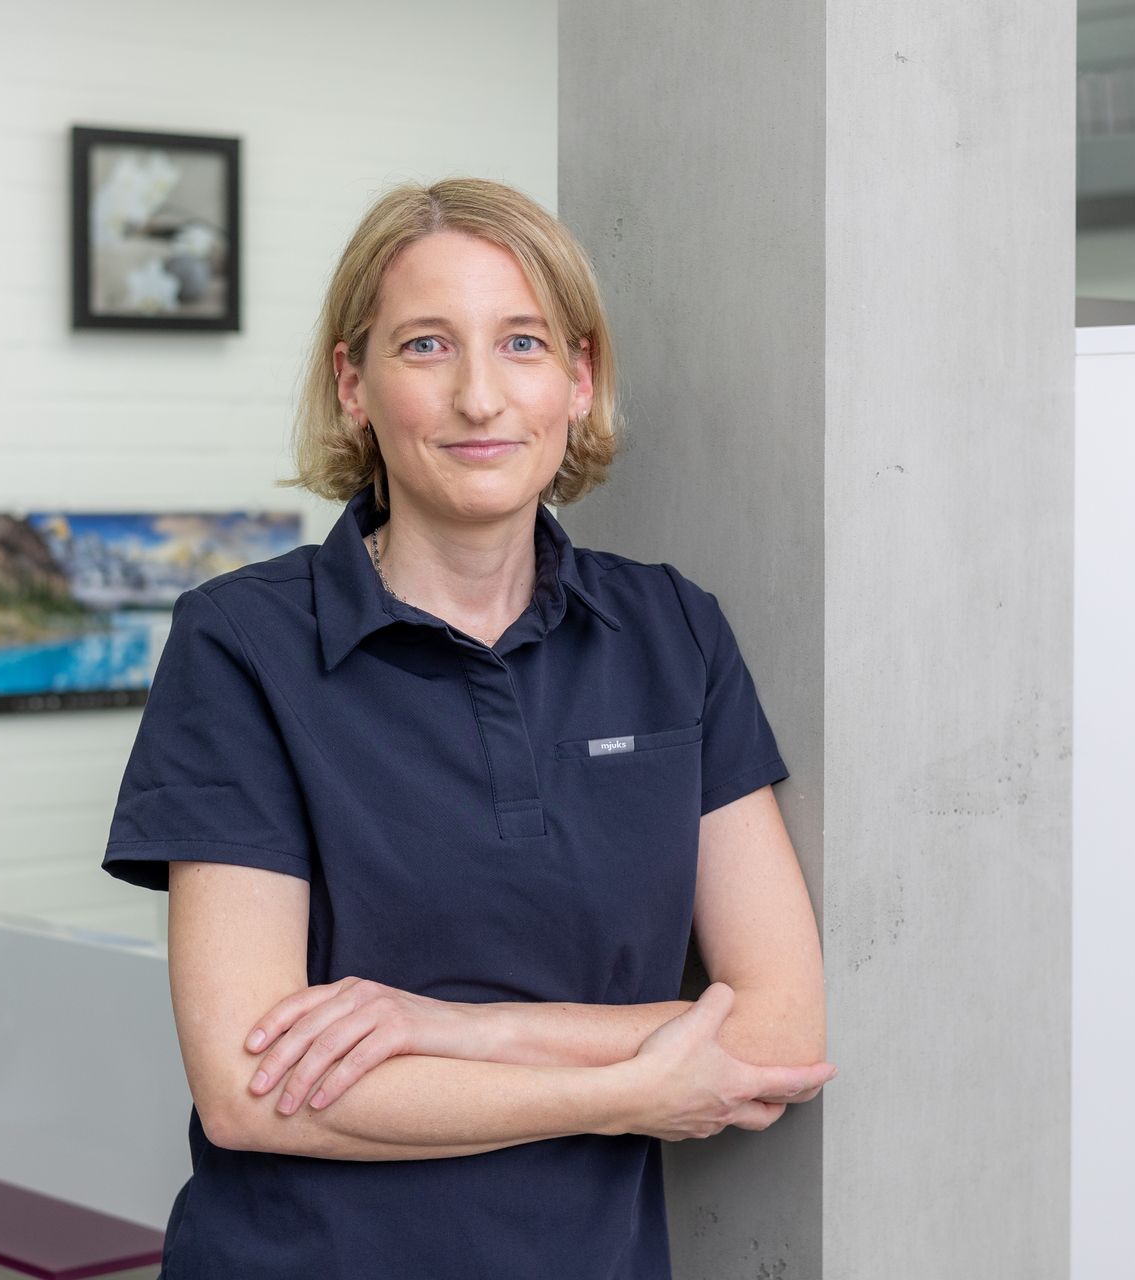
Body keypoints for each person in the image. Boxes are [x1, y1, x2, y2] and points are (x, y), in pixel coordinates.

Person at [101, 176, 835, 1280]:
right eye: (428, 346)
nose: (481, 397)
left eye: (524, 344)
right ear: (354, 383)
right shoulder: (240, 645)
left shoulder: (674, 634)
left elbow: (777, 1033)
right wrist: (628, 1088)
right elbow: (251, 1089)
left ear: (580, 380)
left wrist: (447, 1026)